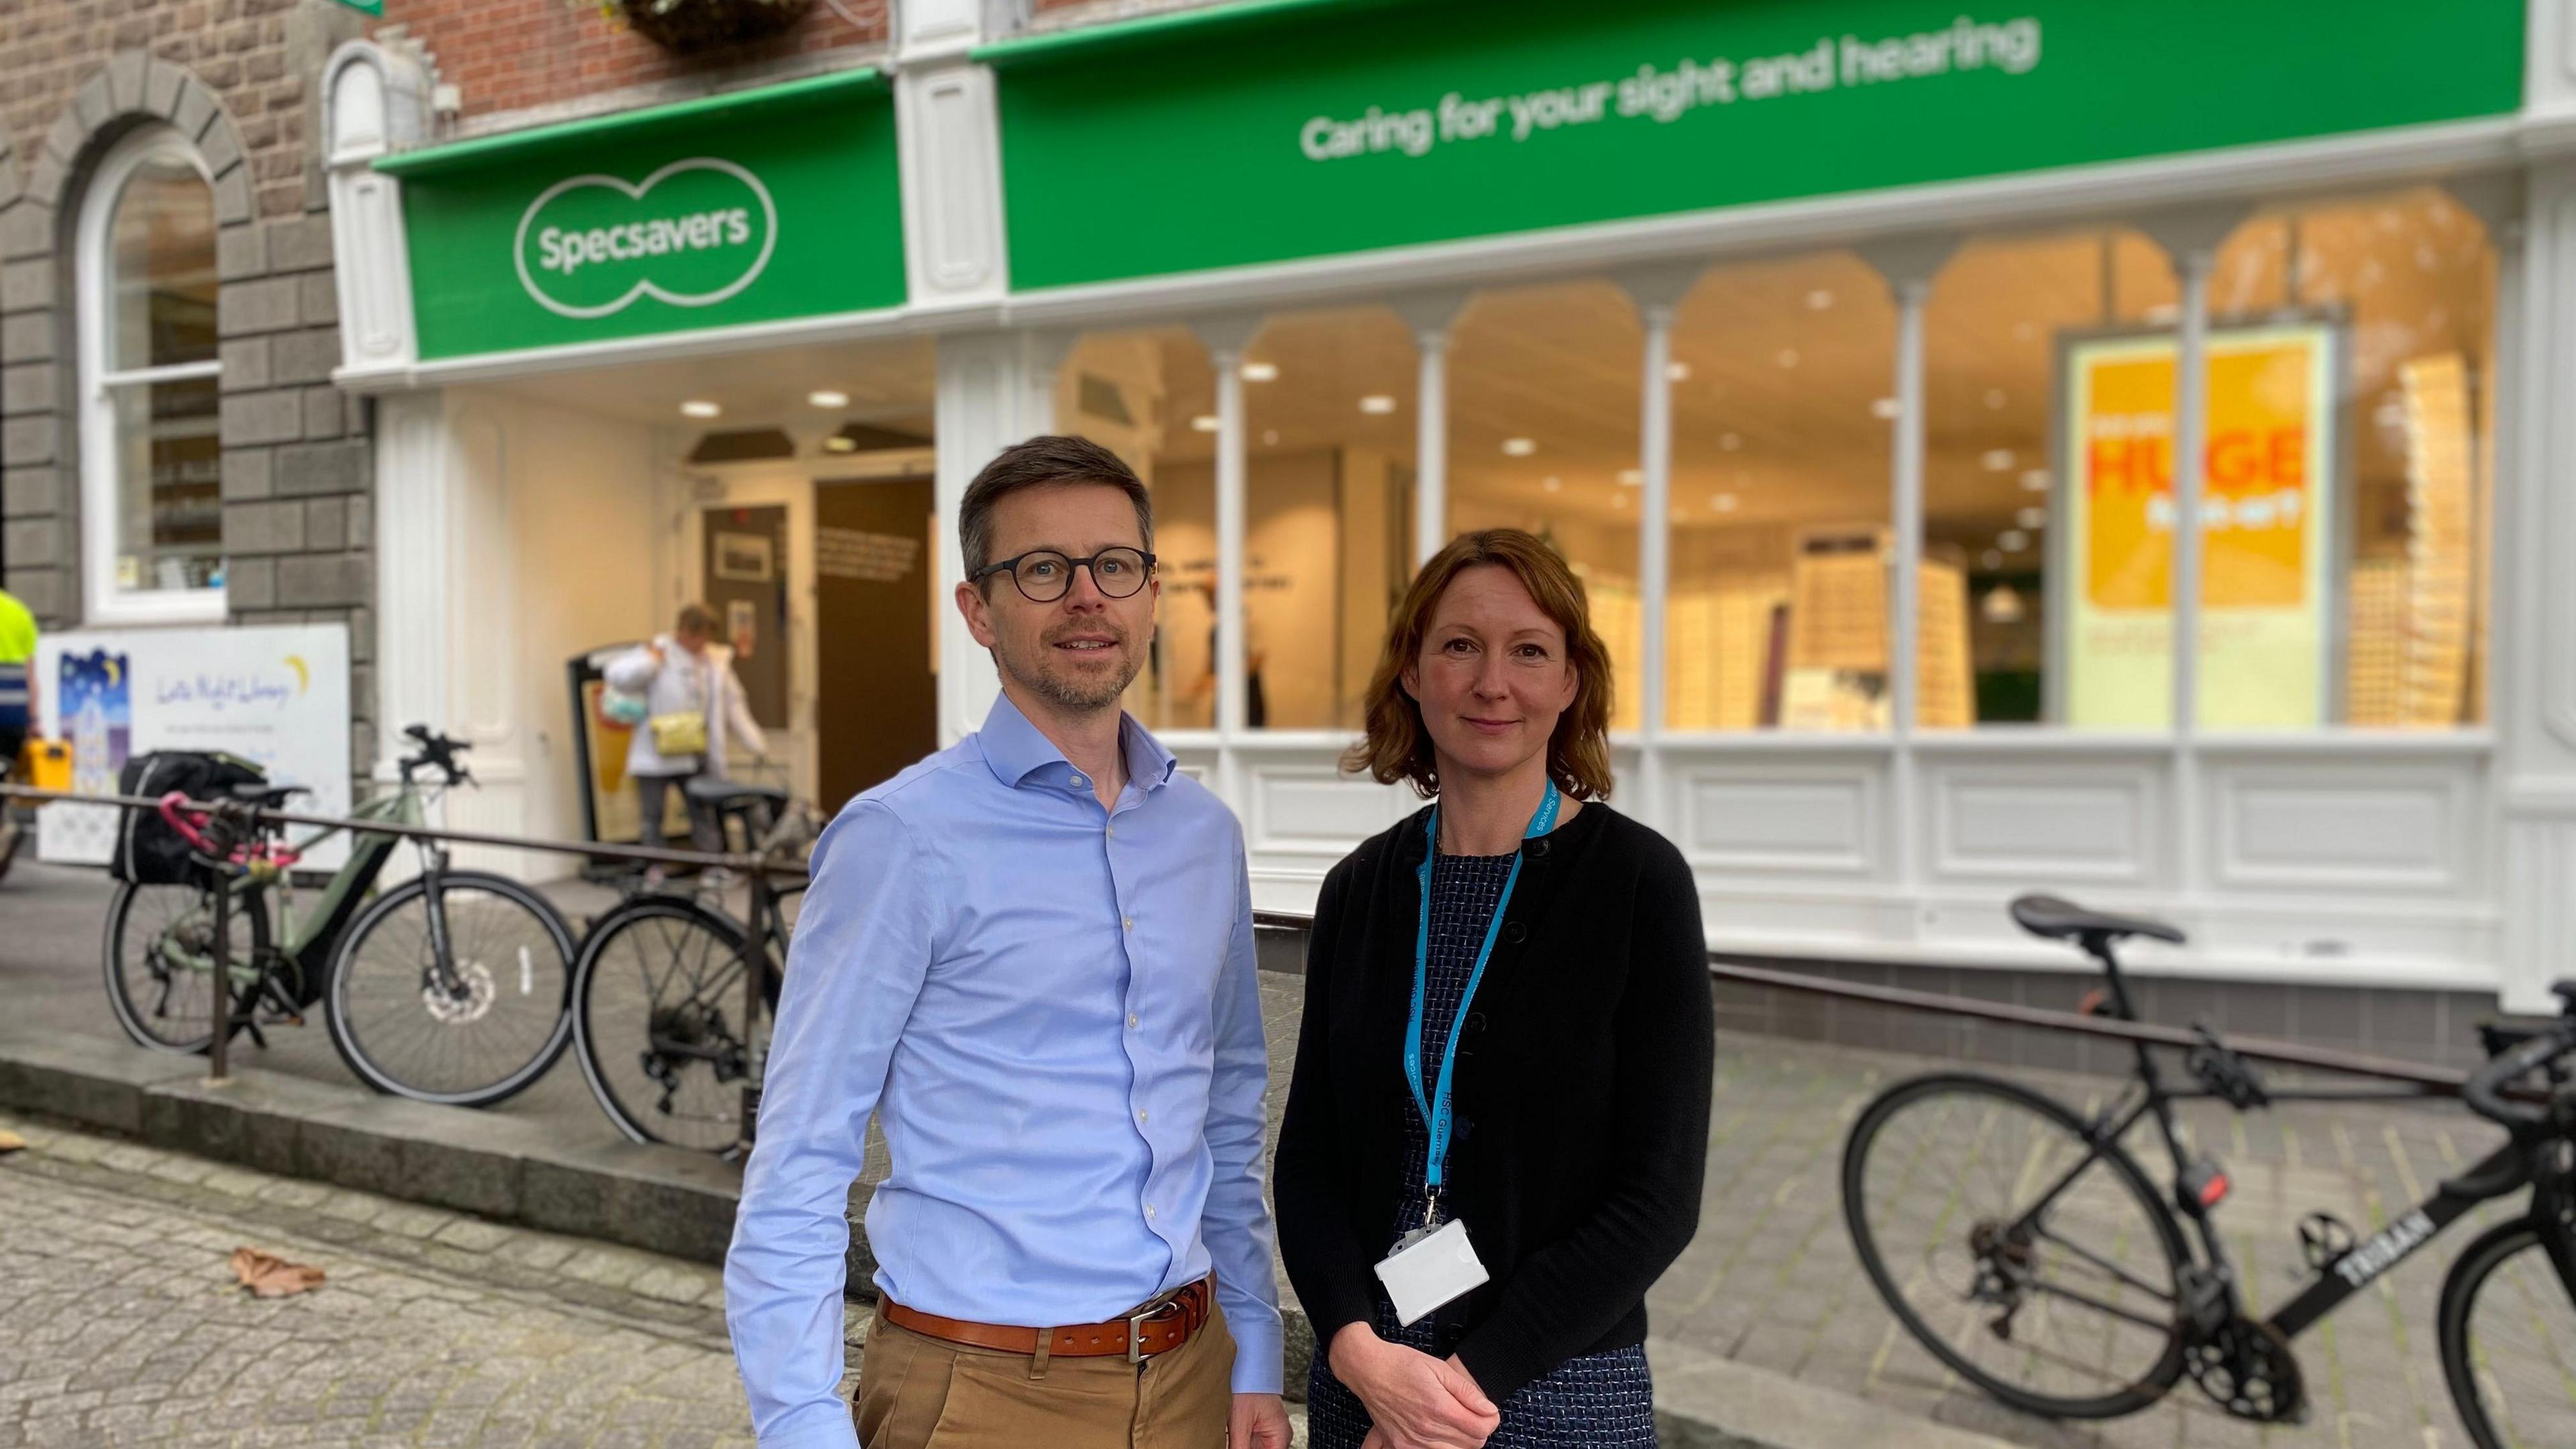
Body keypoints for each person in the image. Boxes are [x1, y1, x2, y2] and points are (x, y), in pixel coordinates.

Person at [724, 435, 1291, 1449]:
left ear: (1153, 595)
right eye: (1042, 570)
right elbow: (802, 1150)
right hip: (986, 1392)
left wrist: (1251, 1346)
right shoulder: (900, 838)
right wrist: (802, 1423)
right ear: (978, 610)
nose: (1087, 597)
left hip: (1193, 1372)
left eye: (1115, 565)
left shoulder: (1205, 836)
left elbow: (1228, 1109)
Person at [1275, 528, 1715, 1449]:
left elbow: (1657, 1198)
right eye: (1460, 646)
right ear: (1412, 671)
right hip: (1370, 1373)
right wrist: (1356, 1352)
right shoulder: (1359, 888)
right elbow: (1310, 1157)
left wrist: (1454, 1396)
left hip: (1556, 1382)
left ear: (1570, 683)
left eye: (1529, 651)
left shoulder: (1639, 884)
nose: (1491, 683)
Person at [604, 603, 765, 868]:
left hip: (693, 751)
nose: (704, 643)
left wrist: (756, 744)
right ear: (684, 632)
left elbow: (734, 704)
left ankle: (712, 866)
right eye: (700, 636)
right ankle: (654, 870)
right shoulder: (657, 650)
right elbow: (618, 676)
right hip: (655, 753)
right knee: (652, 817)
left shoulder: (714, 661)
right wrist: (651, 662)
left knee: (702, 812)